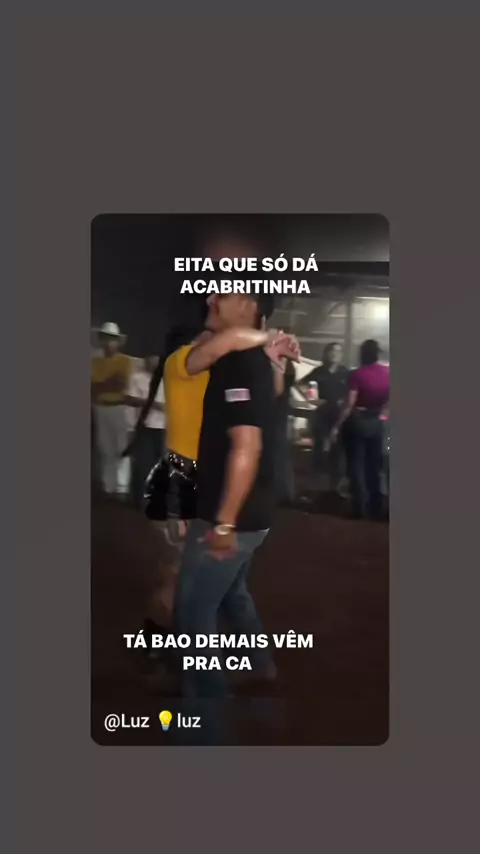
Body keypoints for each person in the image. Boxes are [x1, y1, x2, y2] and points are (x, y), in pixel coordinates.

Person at [134, 322, 299, 652]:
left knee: (220, 581)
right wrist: (270, 338)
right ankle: (160, 646)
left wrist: (274, 361)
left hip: (205, 480)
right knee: (179, 576)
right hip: (180, 482)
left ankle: (238, 656)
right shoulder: (183, 362)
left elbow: (270, 395)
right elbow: (233, 340)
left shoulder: (217, 370)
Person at [173, 291, 288, 728]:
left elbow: (247, 446)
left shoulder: (240, 362)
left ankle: (206, 713)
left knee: (193, 612)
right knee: (233, 592)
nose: (212, 298)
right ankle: (258, 664)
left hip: (233, 515)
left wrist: (223, 524)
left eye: (226, 292)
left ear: (250, 307)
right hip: (252, 512)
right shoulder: (254, 359)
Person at [331, 339, 390, 520]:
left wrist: (337, 425)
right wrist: (383, 413)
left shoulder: (357, 374)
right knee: (374, 466)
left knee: (356, 465)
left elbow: (350, 402)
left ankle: (360, 508)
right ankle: (376, 506)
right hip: (376, 421)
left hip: (357, 421)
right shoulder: (387, 373)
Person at [298, 342, 349, 494]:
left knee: (338, 449)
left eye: (338, 351)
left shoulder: (345, 372)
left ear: (341, 355)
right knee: (319, 446)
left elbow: (353, 391)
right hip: (322, 413)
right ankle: (316, 485)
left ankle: (335, 485)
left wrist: (345, 401)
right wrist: (311, 399)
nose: (335, 354)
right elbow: (301, 384)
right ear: (326, 353)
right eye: (332, 351)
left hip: (339, 415)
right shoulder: (318, 371)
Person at [91, 322, 132, 496]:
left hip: (118, 407)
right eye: (107, 338)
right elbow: (93, 388)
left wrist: (101, 385)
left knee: (121, 447)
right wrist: (108, 383)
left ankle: (122, 486)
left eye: (113, 339)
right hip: (101, 408)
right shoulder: (95, 362)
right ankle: (109, 485)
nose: (109, 343)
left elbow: (120, 384)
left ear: (118, 342)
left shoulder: (124, 361)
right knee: (105, 448)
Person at [125, 355, 166, 509]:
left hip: (165, 427)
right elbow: (129, 399)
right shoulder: (138, 378)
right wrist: (153, 404)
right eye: (151, 358)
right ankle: (140, 498)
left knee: (161, 465)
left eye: (157, 359)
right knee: (143, 464)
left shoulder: (168, 379)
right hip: (145, 426)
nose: (154, 362)